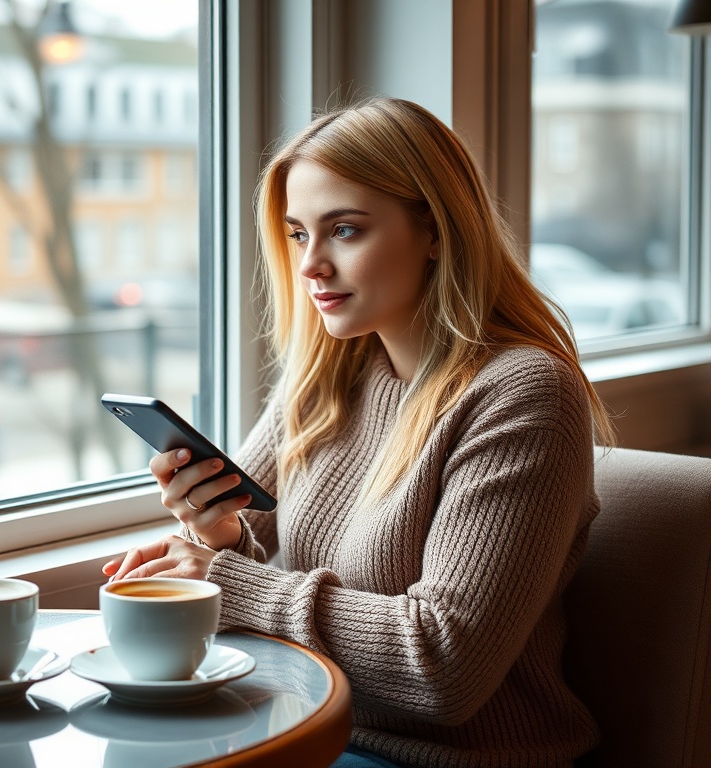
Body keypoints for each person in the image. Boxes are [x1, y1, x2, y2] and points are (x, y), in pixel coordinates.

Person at [103, 96, 615, 768]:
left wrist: (232, 581)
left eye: (344, 230)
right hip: (309, 727)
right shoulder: (326, 375)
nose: (310, 264)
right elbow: (246, 548)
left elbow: (445, 666)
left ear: (436, 232)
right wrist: (219, 535)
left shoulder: (522, 393)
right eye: (298, 234)